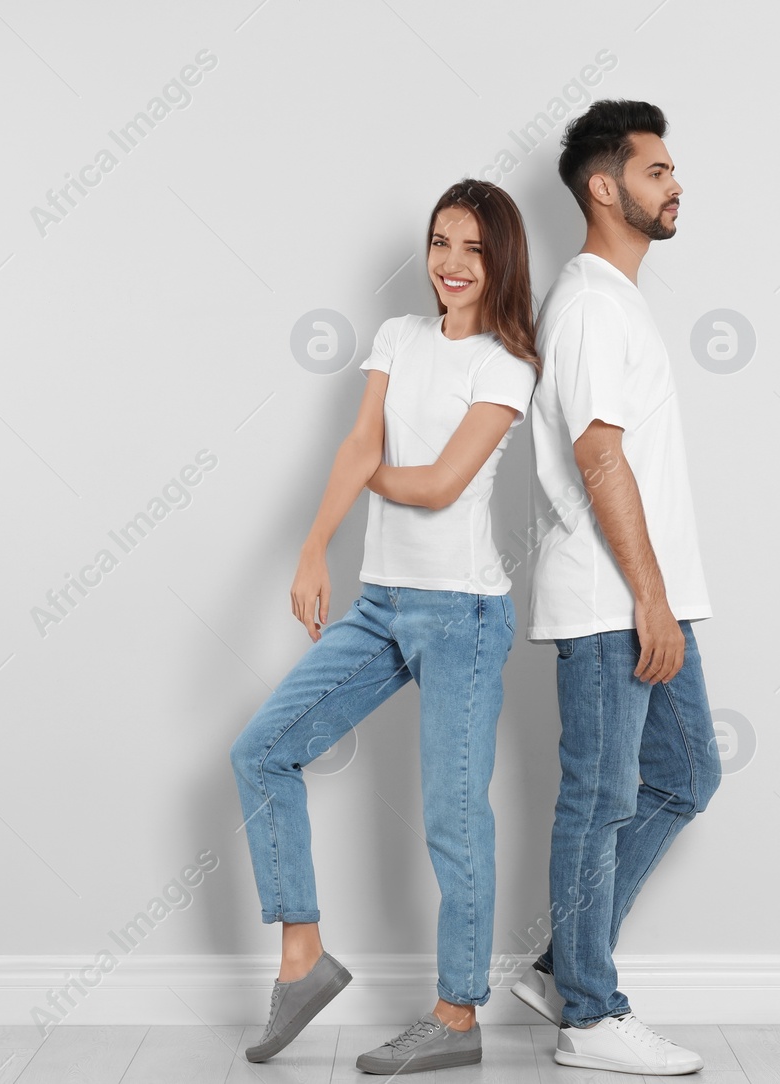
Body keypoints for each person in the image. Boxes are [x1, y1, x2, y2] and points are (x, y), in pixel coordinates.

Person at [229, 178, 538, 1075]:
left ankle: (455, 1018)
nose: (451, 263)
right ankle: (302, 957)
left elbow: (440, 486)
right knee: (262, 750)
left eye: (474, 249)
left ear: (501, 259)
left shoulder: (506, 363)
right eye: (441, 243)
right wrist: (313, 547)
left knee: (452, 816)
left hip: (465, 614)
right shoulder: (399, 338)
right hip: (379, 602)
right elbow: (359, 442)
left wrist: (367, 473)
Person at [510, 99, 721, 1075]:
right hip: (609, 598)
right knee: (597, 797)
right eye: (656, 171)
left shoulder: (618, 299)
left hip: (646, 593)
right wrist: (646, 596)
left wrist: (664, 595)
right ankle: (589, 1017)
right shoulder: (590, 301)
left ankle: (563, 964)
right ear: (605, 187)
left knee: (683, 774)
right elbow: (599, 457)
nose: (674, 185)